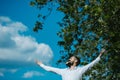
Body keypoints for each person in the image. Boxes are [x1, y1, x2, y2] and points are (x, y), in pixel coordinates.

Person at [36, 49, 105, 80]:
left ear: (76, 61)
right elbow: (51, 69)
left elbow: (91, 64)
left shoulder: (80, 70)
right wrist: (42, 65)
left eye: (71, 58)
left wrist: (100, 55)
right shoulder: (63, 71)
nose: (69, 59)